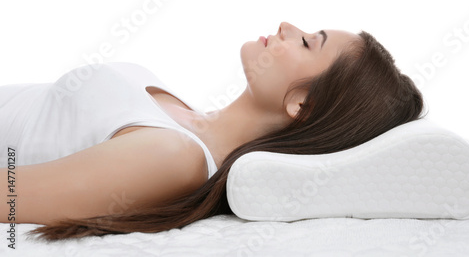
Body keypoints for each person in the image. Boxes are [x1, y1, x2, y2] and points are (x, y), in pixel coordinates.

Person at [0, 22, 425, 240]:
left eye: (308, 42)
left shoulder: (173, 157)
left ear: (303, 105)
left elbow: (12, 199)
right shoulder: (185, 117)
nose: (286, 26)